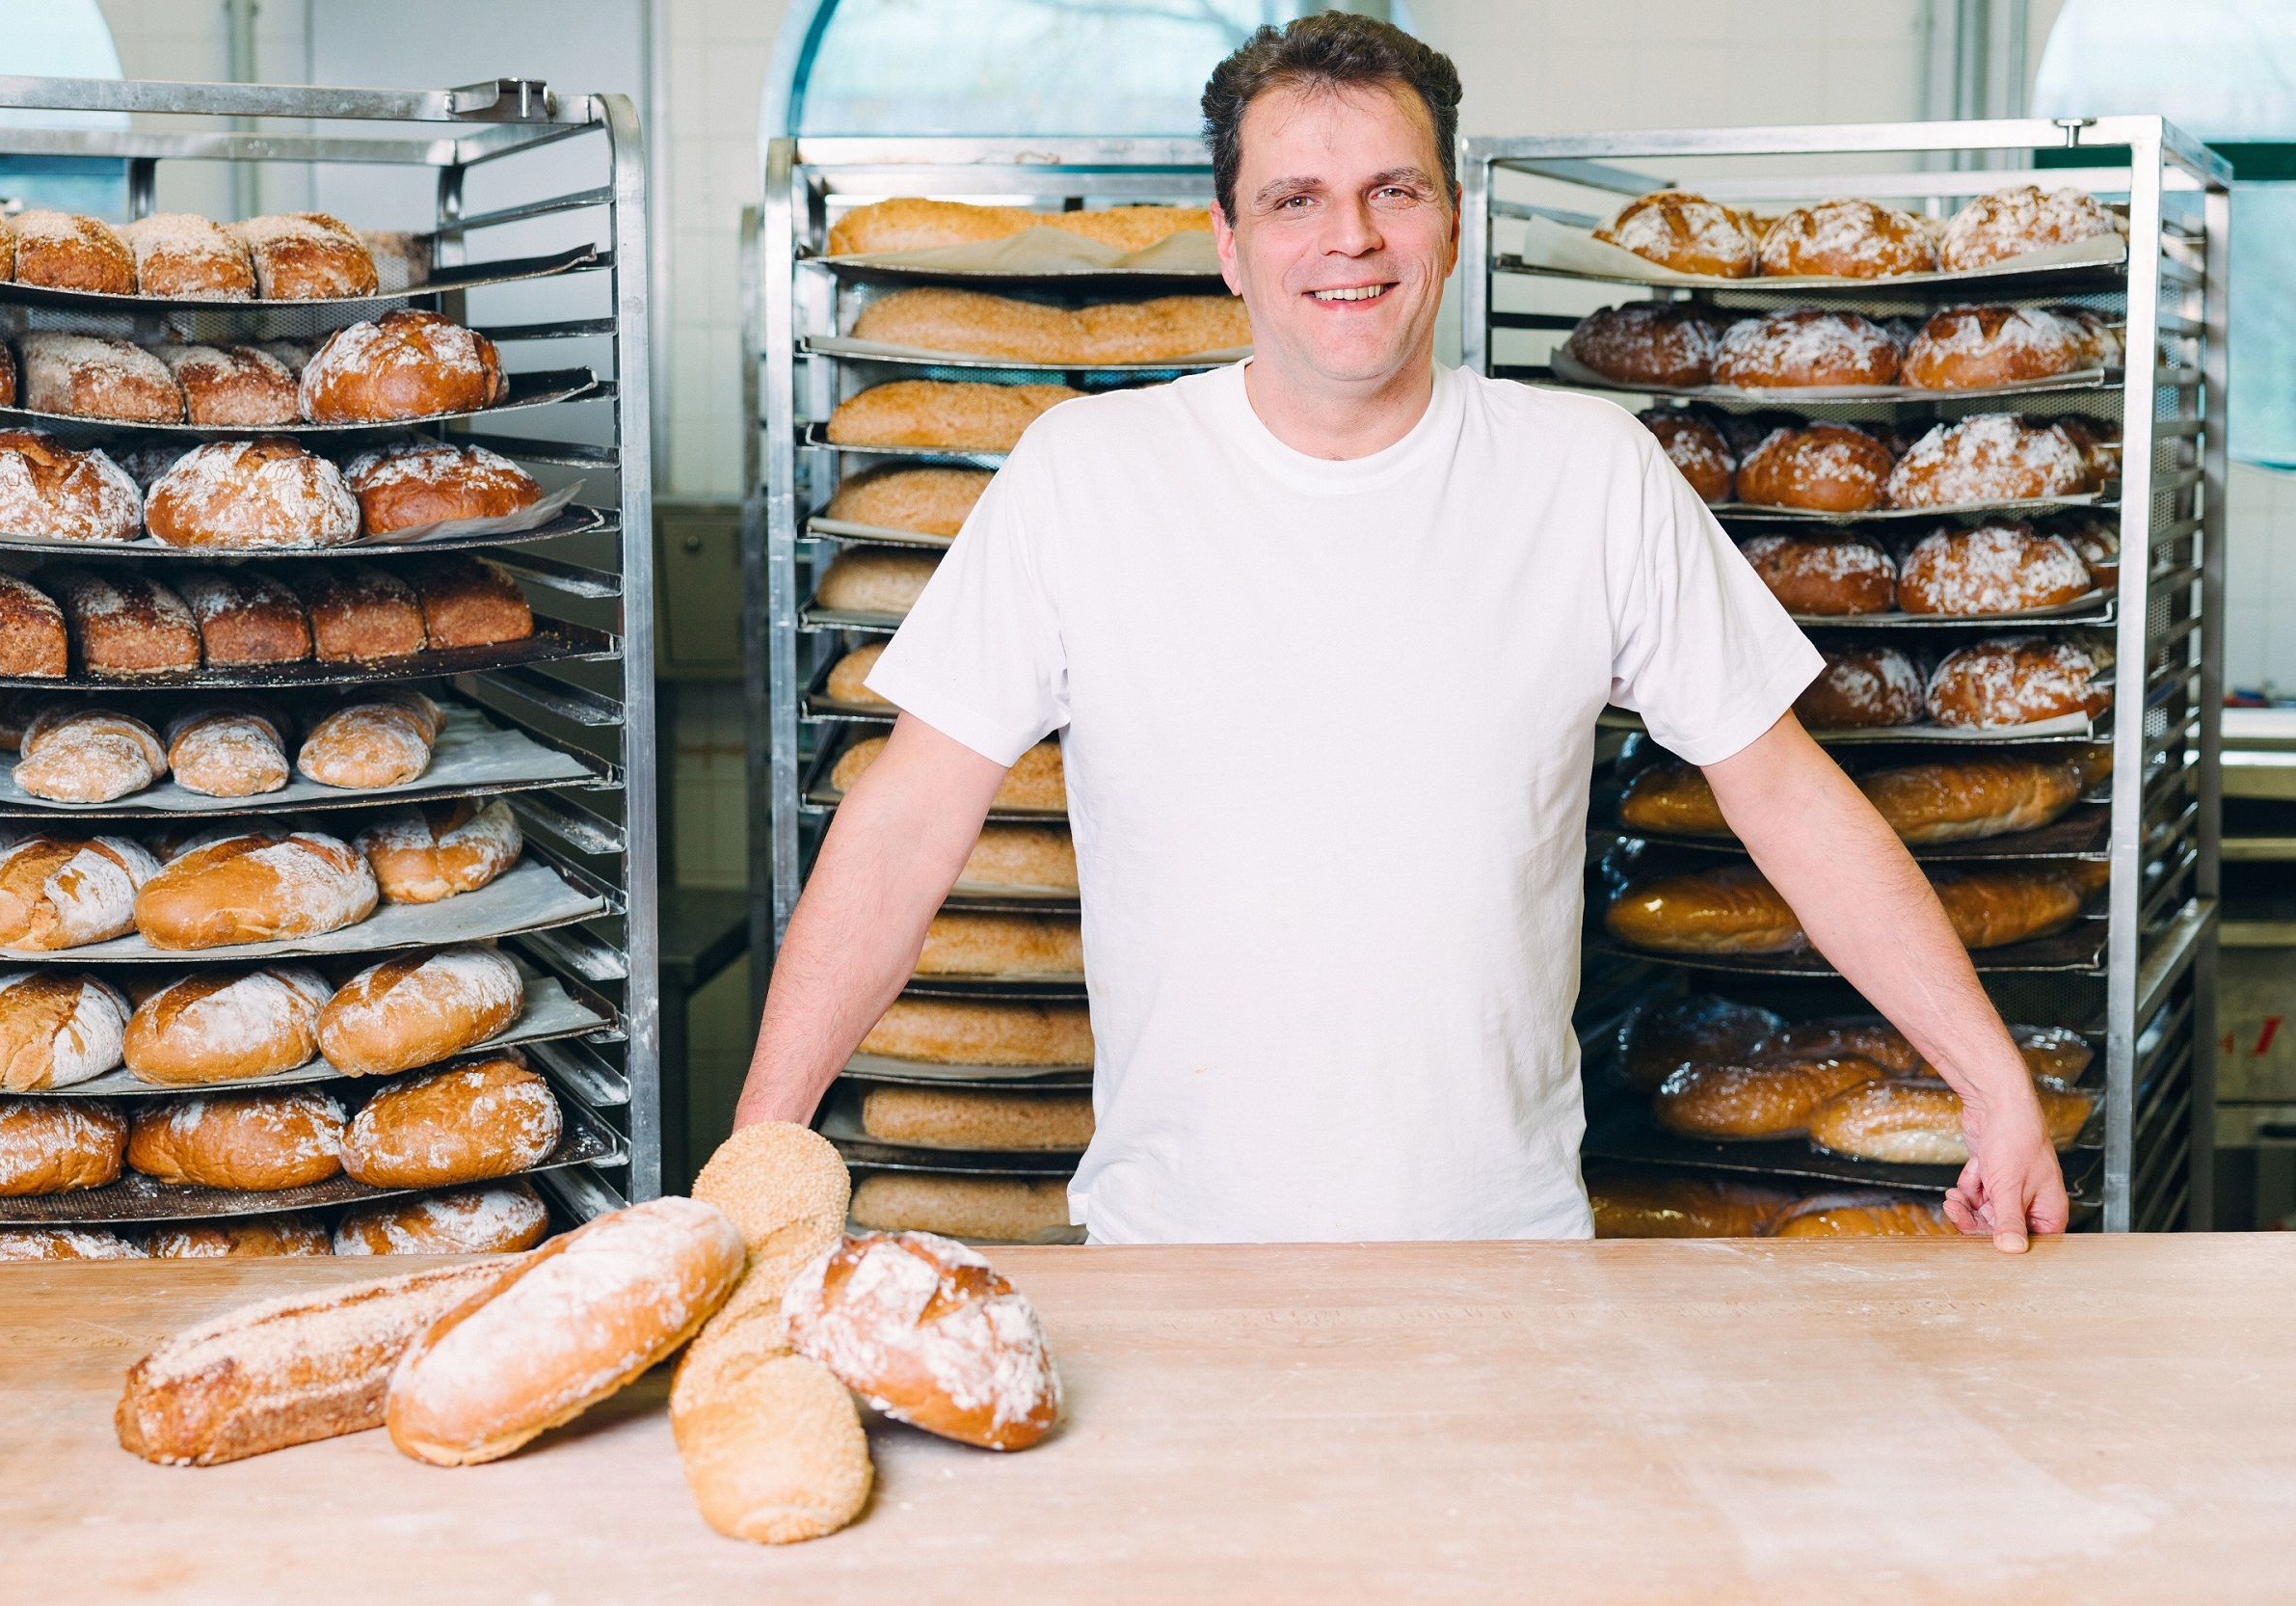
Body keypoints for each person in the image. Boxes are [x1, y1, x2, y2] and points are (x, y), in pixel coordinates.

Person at [736, 13, 2069, 1249]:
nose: (1349, 239)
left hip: (1504, 1252)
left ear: (1451, 220)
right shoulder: (1085, 477)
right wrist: (761, 1144)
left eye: (1393, 191)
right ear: (1228, 241)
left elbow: (1787, 797)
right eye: (1295, 199)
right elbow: (902, 825)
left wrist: (1991, 1078)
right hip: (1180, 1251)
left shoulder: (1585, 472)